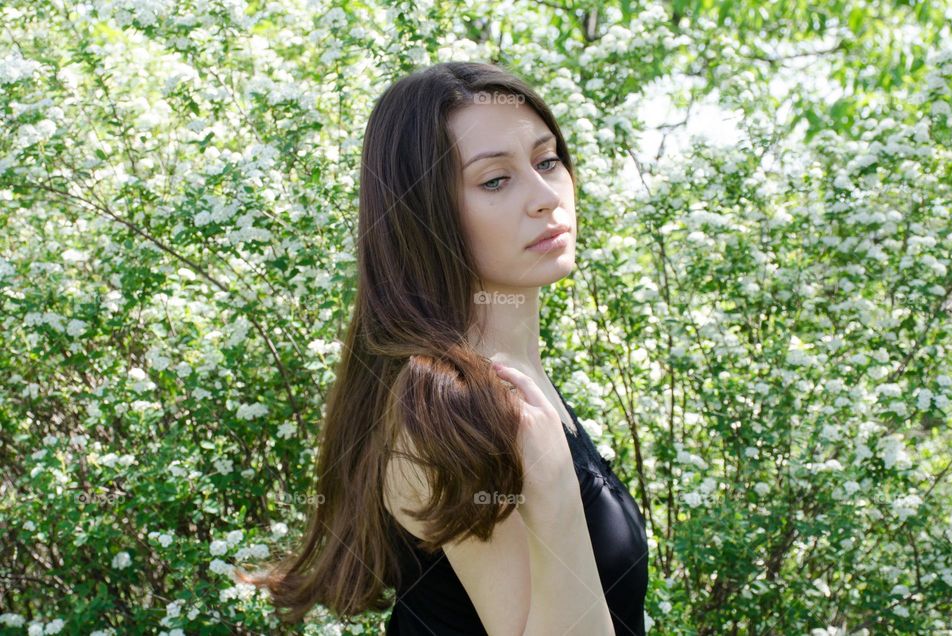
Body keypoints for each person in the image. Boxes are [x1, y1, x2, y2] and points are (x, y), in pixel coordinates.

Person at [236, 61, 648, 636]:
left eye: (547, 161)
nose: (544, 197)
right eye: (495, 180)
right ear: (424, 214)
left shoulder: (511, 378)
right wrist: (554, 495)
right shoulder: (451, 405)